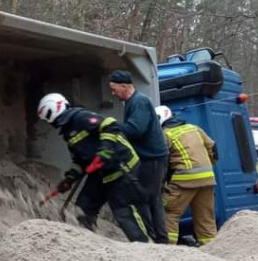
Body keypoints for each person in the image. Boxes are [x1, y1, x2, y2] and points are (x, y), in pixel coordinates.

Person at [37, 93, 150, 244]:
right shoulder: (68, 133)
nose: (51, 123)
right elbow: (79, 160)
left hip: (121, 167)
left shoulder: (80, 117)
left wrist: (104, 151)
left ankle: (145, 247)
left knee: (122, 210)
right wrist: (70, 178)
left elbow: (110, 125)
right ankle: (90, 247)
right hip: (102, 173)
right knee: (83, 207)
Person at [108, 70, 170, 244]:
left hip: (153, 159)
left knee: (147, 198)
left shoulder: (139, 102)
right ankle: (158, 239)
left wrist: (113, 127)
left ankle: (156, 240)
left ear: (125, 86)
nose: (113, 93)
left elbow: (136, 130)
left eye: (114, 89)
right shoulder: (132, 102)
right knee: (149, 198)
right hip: (149, 158)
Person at [156, 105, 217, 246]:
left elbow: (164, 162)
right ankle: (212, 252)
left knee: (169, 213)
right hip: (207, 179)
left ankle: (167, 251)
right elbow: (213, 149)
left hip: (184, 181)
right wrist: (205, 168)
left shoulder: (165, 134)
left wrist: (163, 181)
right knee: (206, 219)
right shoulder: (194, 128)